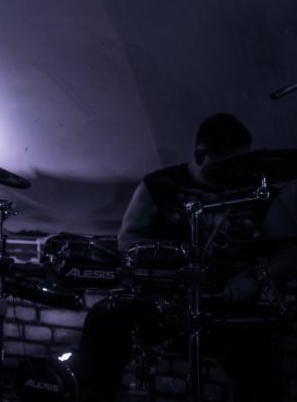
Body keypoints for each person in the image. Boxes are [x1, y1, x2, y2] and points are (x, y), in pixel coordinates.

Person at [76, 113, 297, 402]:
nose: (237, 174)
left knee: (261, 355)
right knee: (103, 319)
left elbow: (291, 251)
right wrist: (169, 259)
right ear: (200, 155)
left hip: (228, 307)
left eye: (243, 164)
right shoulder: (159, 186)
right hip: (163, 306)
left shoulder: (256, 192)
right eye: (228, 167)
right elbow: (127, 239)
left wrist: (255, 278)